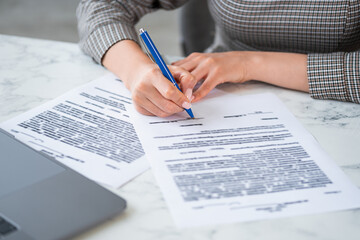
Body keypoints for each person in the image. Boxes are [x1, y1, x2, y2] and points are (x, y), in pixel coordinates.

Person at [76, 0, 360, 118]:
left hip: (339, 109)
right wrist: (136, 71)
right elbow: (101, 5)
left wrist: (248, 63)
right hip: (224, 92)